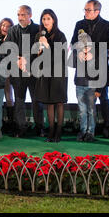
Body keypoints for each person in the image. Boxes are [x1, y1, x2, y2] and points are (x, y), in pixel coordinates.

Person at [70, 0, 109, 138]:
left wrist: (92, 53)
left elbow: (106, 47)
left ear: (97, 11)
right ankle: (84, 130)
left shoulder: (107, 26)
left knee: (98, 101)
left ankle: (99, 129)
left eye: (88, 10)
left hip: (98, 70)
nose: (85, 12)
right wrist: (80, 51)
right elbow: (73, 42)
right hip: (82, 71)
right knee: (83, 106)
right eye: (85, 9)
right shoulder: (79, 24)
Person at [4, 5, 45, 137]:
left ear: (30, 15)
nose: (20, 18)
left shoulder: (38, 29)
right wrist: (17, 59)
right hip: (17, 73)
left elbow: (39, 50)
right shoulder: (12, 30)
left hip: (34, 72)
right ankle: (20, 128)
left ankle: (40, 128)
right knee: (19, 101)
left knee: (37, 101)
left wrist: (25, 60)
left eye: (23, 15)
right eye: (18, 15)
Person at [34, 9, 68, 143]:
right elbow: (37, 56)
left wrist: (47, 46)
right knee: (48, 101)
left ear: (53, 20)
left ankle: (59, 131)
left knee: (58, 101)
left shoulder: (60, 35)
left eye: (48, 18)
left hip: (58, 72)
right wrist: (39, 50)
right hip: (45, 71)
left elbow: (60, 56)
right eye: (43, 19)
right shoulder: (39, 35)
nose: (45, 21)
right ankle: (51, 130)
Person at [69, 29, 98, 142]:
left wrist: (91, 59)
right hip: (80, 84)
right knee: (82, 110)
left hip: (91, 85)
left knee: (91, 109)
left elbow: (99, 70)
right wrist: (77, 53)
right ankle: (83, 131)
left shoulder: (95, 53)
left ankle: (91, 132)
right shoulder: (77, 53)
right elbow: (71, 64)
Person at [0, 18, 15, 131]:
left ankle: (11, 122)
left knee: (9, 97)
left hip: (8, 72)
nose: (5, 28)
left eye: (8, 26)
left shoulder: (12, 40)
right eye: (3, 25)